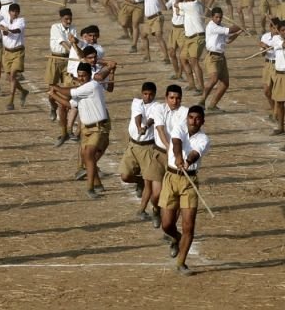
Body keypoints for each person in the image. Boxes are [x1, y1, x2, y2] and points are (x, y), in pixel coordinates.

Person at [49, 62, 114, 198]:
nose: (81, 78)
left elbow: (71, 92)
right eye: (79, 76)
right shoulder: (83, 89)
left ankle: (90, 189)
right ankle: (98, 184)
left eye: (83, 75)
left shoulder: (92, 86)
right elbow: (70, 104)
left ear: (89, 75)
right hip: (86, 128)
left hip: (97, 128)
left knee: (89, 155)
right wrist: (53, 95)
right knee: (87, 158)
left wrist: (56, 87)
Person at [159, 105, 210, 276]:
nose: (193, 121)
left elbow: (196, 153)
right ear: (187, 118)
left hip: (189, 181)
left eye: (197, 118)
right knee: (166, 224)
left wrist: (187, 162)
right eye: (191, 117)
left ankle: (181, 263)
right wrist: (179, 157)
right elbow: (176, 143)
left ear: (202, 121)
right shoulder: (179, 127)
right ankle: (176, 238)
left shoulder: (204, 139)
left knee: (189, 225)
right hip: (171, 178)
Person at [118, 82, 164, 221]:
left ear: (154, 95)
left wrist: (146, 126)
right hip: (133, 145)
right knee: (125, 176)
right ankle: (139, 182)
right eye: (145, 94)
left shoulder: (158, 106)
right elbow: (138, 115)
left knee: (148, 181)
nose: (148, 97)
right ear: (141, 93)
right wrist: (139, 127)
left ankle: (142, 210)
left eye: (151, 94)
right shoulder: (136, 102)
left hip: (148, 148)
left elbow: (152, 119)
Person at [200, 6, 242, 111]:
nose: (218, 19)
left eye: (220, 17)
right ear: (212, 17)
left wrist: (239, 32)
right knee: (213, 79)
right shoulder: (211, 26)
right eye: (216, 17)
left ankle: (212, 105)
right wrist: (240, 25)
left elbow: (228, 40)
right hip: (212, 57)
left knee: (225, 83)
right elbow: (230, 30)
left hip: (221, 57)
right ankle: (202, 100)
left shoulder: (221, 27)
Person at [0, 3, 29, 111]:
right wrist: (4, 29)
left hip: (18, 52)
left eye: (17, 11)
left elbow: (17, 31)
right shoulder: (4, 21)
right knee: (9, 78)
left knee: (12, 76)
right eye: (13, 11)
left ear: (19, 12)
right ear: (9, 12)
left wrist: (8, 30)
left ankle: (11, 101)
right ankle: (23, 91)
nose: (15, 13)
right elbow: (5, 34)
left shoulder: (21, 21)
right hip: (7, 53)